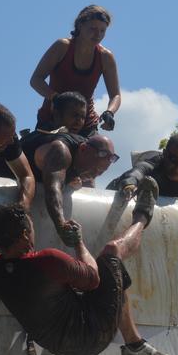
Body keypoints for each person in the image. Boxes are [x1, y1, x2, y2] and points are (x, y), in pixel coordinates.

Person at [0, 177, 171, 355]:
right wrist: (78, 242)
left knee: (99, 278)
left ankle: (134, 345)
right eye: (31, 227)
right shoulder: (49, 261)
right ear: (25, 235)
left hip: (56, 345)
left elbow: (24, 277)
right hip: (91, 336)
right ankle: (143, 215)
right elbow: (94, 279)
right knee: (112, 253)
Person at [18, 94, 120, 245]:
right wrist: (61, 224)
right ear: (83, 150)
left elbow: (88, 188)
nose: (79, 121)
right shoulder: (61, 150)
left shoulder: (88, 150)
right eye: (74, 115)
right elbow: (53, 189)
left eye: (100, 172)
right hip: (2, 169)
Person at [31, 5, 121, 136]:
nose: (98, 35)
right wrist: (55, 97)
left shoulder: (105, 57)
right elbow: (36, 79)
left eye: (102, 30)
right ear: (80, 25)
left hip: (86, 123)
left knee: (104, 146)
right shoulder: (62, 47)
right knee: (59, 148)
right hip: (54, 119)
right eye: (93, 29)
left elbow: (115, 95)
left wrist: (110, 112)